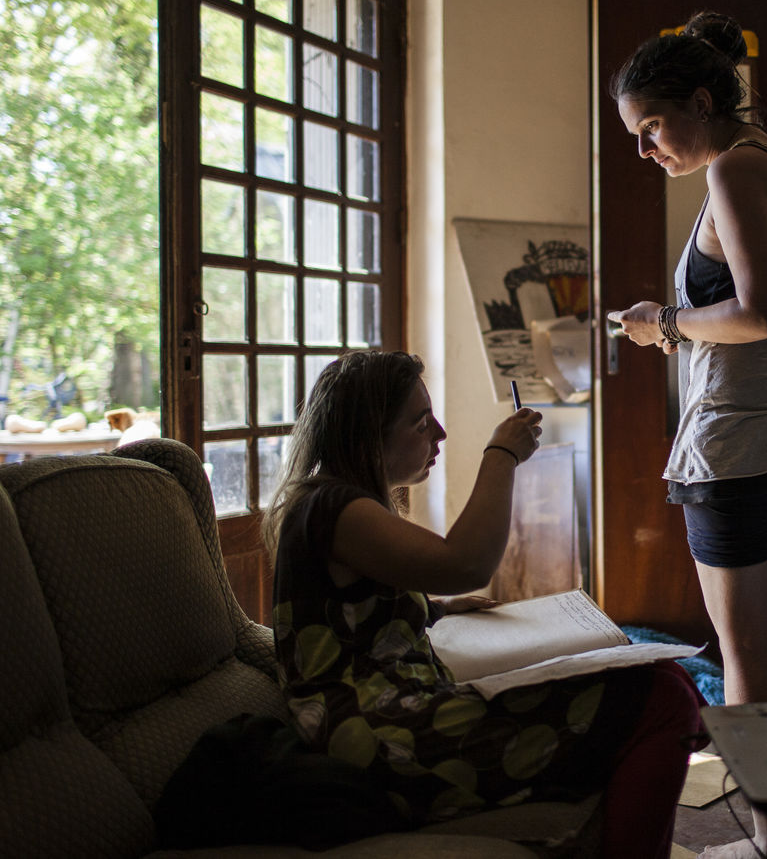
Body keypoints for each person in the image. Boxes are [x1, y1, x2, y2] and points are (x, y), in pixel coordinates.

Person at [263, 350, 705, 859]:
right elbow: (466, 563)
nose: (439, 433)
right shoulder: (332, 506)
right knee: (661, 698)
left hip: (390, 716)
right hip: (378, 736)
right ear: (367, 436)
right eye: (420, 422)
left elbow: (350, 614)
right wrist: (501, 455)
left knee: (669, 680)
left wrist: (437, 607)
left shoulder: (333, 503)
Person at [606, 11, 767, 858]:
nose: (645, 150)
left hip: (740, 451)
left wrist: (665, 322)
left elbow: (766, 312)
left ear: (701, 102)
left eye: (651, 128)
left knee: (746, 667)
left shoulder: (733, 171)